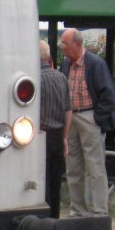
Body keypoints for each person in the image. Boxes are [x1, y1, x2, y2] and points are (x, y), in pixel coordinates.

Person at [58, 28, 115, 216]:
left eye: (64, 43)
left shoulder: (96, 64)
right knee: (73, 167)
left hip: (89, 117)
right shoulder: (65, 64)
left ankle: (100, 211)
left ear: (77, 44)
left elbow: (109, 95)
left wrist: (97, 118)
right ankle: (78, 210)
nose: (61, 47)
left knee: (95, 167)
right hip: (71, 117)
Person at [38, 40, 71, 219]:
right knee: (55, 180)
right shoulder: (62, 78)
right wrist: (65, 137)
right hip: (58, 134)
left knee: (42, 180)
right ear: (49, 57)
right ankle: (55, 218)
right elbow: (68, 111)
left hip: (40, 135)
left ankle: (43, 218)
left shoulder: (35, 80)